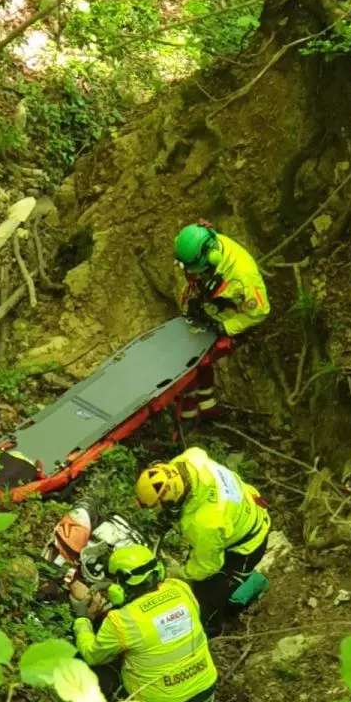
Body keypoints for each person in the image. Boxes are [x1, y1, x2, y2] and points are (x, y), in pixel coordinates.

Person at [70, 544, 217, 702]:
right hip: (206, 687)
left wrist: (82, 619)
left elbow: (91, 655)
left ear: (120, 586)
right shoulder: (180, 589)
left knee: (84, 661)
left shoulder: (121, 621)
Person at [135, 447, 270, 633]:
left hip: (247, 546)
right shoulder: (190, 460)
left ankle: (212, 627)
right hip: (243, 511)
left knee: (205, 601)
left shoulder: (205, 523)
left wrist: (182, 575)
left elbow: (208, 565)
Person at [174, 222, 269, 421]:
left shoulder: (243, 277)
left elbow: (260, 312)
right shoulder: (206, 247)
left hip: (234, 319)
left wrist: (224, 326)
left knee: (200, 354)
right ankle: (202, 400)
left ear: (210, 259)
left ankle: (197, 404)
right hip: (212, 304)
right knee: (190, 344)